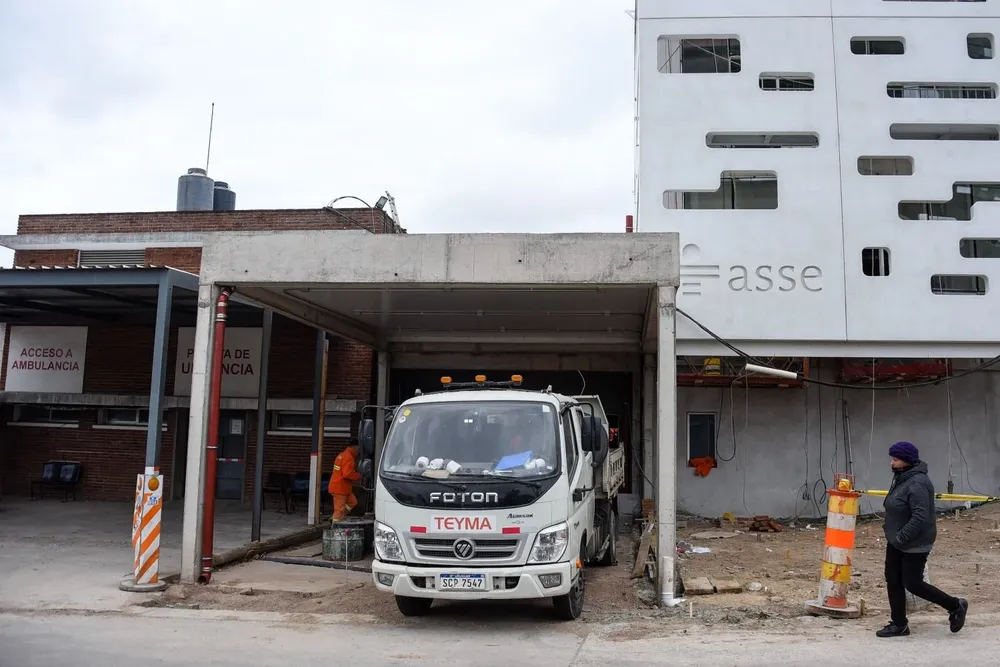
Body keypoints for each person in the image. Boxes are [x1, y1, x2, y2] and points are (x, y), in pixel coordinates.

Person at [877, 441, 968, 638]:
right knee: (893, 579)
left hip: (914, 542)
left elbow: (920, 516)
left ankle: (955, 605)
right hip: (897, 539)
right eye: (892, 459)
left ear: (907, 461)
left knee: (912, 583)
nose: (891, 463)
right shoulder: (902, 477)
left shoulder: (917, 482)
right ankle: (899, 624)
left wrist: (901, 537)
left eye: (896, 459)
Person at [328, 443, 361, 522]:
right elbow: (347, 474)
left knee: (352, 502)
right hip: (340, 488)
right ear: (355, 447)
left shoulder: (342, 455)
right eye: (358, 449)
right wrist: (358, 476)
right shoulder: (349, 458)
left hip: (341, 487)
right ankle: (335, 527)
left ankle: (335, 518)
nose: (359, 451)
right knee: (339, 510)